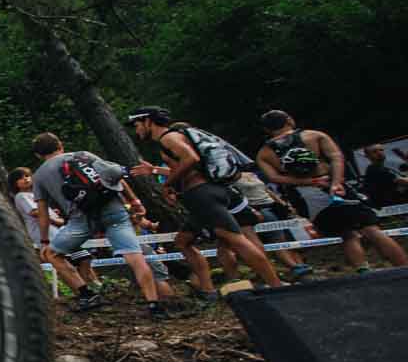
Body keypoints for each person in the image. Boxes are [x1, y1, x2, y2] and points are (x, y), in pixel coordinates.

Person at [126, 108, 285, 291]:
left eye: (137, 125)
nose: (137, 130)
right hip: (211, 191)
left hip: (202, 195)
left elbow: (190, 159)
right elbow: (190, 166)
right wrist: (155, 170)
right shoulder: (179, 136)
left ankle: (276, 286)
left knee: (236, 239)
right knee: (183, 241)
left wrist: (167, 185)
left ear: (148, 121)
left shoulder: (168, 138)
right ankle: (208, 290)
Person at [30, 133, 166, 315]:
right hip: (113, 210)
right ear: (60, 145)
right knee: (135, 257)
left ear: (38, 155)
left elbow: (42, 213)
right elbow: (115, 176)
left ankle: (87, 295)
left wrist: (44, 241)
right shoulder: (82, 155)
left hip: (81, 220)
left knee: (52, 254)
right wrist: (135, 202)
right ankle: (153, 303)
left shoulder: (39, 176)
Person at [258, 111, 408, 272]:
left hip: (306, 196)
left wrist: (308, 182)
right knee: (371, 229)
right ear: (289, 120)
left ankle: (364, 272)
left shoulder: (264, 153)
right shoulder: (314, 135)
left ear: (266, 129)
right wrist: (336, 183)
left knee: (346, 234)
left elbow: (274, 178)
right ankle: (403, 269)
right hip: (332, 184)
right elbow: (336, 157)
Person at [359, 143, 405, 209]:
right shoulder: (375, 170)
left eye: (381, 150)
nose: (379, 153)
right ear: (367, 156)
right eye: (374, 151)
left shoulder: (385, 168)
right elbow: (403, 181)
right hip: (392, 206)